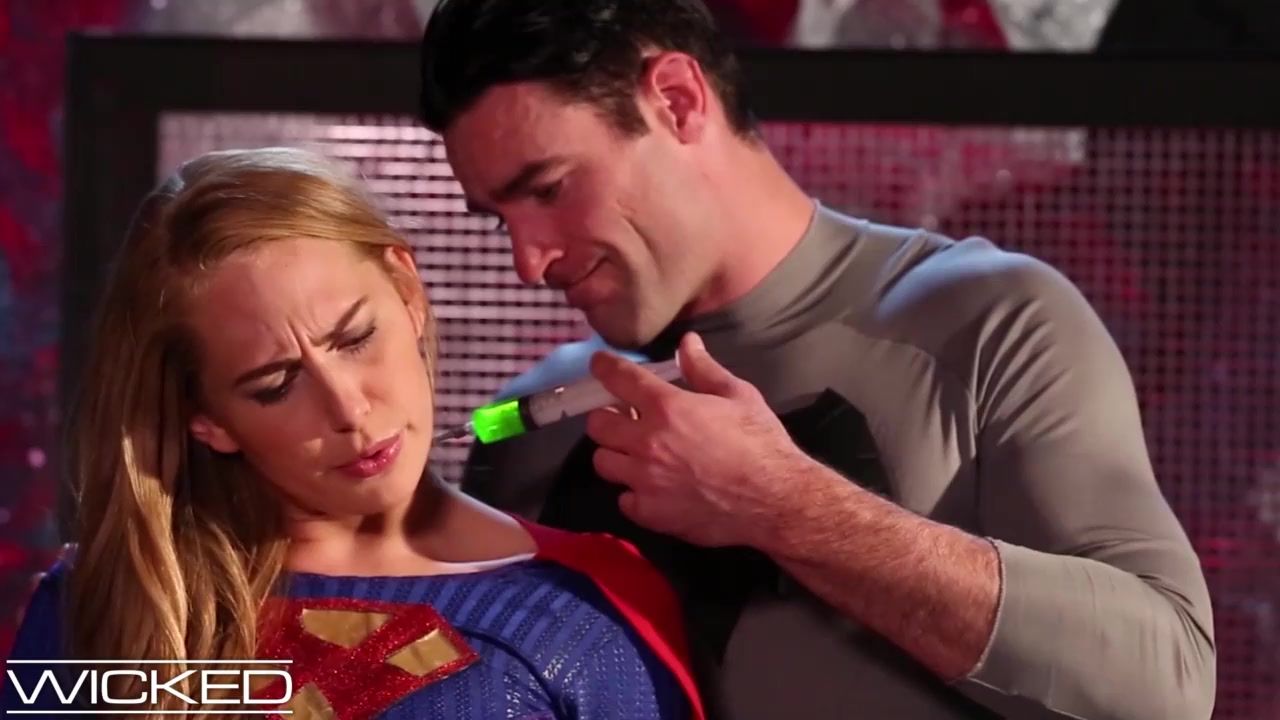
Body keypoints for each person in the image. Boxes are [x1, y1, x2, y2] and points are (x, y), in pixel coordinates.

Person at [417, 2, 1217, 719]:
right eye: (500, 220)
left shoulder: (988, 320)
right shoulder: (533, 428)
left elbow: (1168, 684)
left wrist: (782, 503)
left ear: (678, 101)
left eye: (550, 189)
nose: (528, 261)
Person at [3, 147, 702, 720]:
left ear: (407, 291)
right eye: (275, 384)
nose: (348, 407)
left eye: (356, 338)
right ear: (205, 418)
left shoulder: (583, 607)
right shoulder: (104, 607)